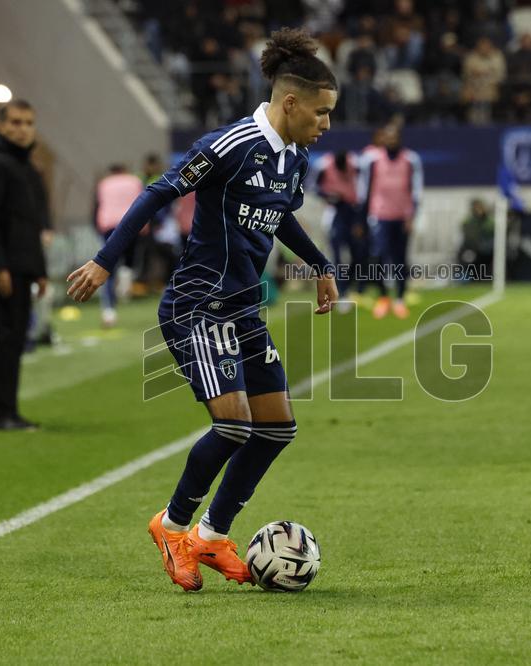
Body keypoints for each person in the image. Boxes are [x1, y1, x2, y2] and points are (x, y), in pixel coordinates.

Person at [66, 28, 338, 592]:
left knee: (277, 429)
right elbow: (158, 192)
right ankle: (172, 527)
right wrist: (104, 261)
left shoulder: (296, 156)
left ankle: (213, 537)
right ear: (291, 101)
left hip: (242, 309)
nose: (325, 123)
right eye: (321, 112)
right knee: (234, 424)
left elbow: (279, 213)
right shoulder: (229, 145)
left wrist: (321, 264)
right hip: (197, 306)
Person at [0, 99, 49, 431]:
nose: (22, 128)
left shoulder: (27, 168)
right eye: (15, 122)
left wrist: (40, 269)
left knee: (13, 338)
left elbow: (30, 225)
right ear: (1, 125)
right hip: (1, 268)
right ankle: (1, 412)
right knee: (7, 338)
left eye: (27, 122)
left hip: (20, 266)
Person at [357, 123, 422, 320]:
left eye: (394, 137)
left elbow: (416, 190)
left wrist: (412, 216)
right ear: (383, 139)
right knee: (377, 257)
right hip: (379, 216)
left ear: (399, 139)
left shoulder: (411, 160)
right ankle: (384, 297)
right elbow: (364, 189)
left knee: (400, 259)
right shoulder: (372, 160)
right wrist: (361, 218)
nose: (390, 140)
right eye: (387, 137)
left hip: (402, 216)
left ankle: (400, 299)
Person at [94, 164, 144, 327]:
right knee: (129, 261)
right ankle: (125, 280)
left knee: (107, 267)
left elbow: (96, 207)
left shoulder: (104, 183)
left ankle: (109, 310)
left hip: (109, 226)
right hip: (132, 224)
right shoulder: (135, 181)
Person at [314, 149, 364, 311]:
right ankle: (341, 294)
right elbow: (313, 186)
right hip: (334, 212)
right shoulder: (324, 164)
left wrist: (359, 218)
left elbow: (363, 185)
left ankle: (348, 287)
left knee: (357, 254)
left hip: (352, 211)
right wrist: (327, 195)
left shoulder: (355, 164)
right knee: (337, 256)